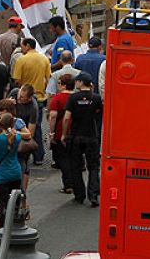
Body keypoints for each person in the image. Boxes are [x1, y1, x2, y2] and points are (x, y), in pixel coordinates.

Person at [62, 72, 103, 207]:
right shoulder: (96, 98)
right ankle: (93, 195)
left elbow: (67, 118)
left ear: (80, 82)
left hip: (76, 136)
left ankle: (79, 195)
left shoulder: (73, 98)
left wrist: (64, 134)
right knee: (93, 167)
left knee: (76, 166)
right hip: (91, 136)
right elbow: (99, 114)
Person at [0, 113, 23, 227]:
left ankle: (3, 226)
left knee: (2, 202)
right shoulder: (17, 137)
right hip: (16, 172)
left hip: (2, 175)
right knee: (15, 200)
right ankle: (15, 222)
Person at [48, 74, 75, 194]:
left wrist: (51, 132)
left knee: (63, 158)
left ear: (63, 85)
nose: (57, 85)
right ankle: (75, 183)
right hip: (74, 131)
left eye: (59, 83)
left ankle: (68, 184)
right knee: (73, 158)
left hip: (60, 131)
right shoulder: (75, 97)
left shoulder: (57, 98)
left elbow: (53, 116)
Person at [12, 84, 39, 188]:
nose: (19, 99)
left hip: (22, 137)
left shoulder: (33, 107)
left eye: (22, 98)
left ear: (29, 98)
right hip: (10, 135)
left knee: (23, 165)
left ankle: (23, 191)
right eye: (19, 95)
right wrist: (9, 104)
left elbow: (30, 133)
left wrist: (16, 133)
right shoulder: (14, 93)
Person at [13, 37, 51, 102]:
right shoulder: (45, 59)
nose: (21, 50)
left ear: (27, 46)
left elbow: (17, 81)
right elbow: (48, 80)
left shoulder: (20, 60)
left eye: (22, 47)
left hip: (25, 98)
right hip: (40, 97)